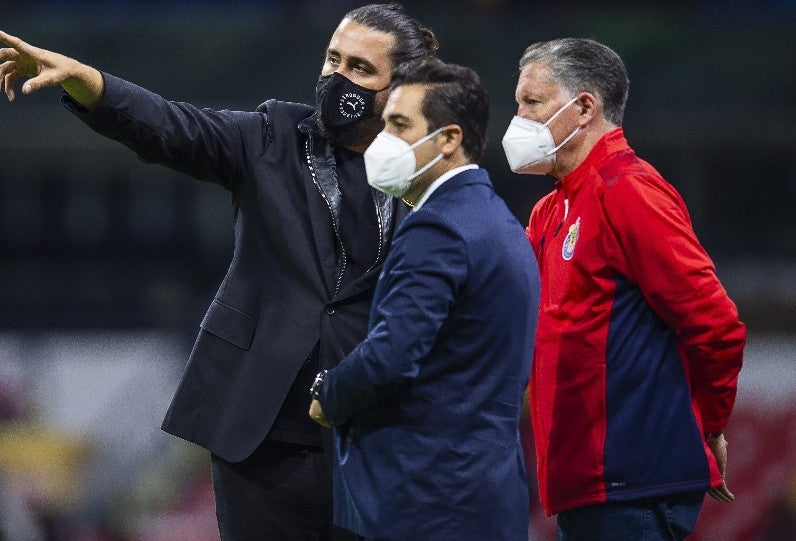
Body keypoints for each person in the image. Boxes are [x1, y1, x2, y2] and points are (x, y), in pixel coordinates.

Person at [0, 4, 438, 540]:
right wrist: (91, 84)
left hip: (367, 437)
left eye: (360, 69)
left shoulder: (427, 172)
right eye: (332, 60)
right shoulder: (275, 135)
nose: (337, 78)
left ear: (401, 88)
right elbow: (175, 128)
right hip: (258, 434)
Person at [502, 38, 746, 540]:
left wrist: (712, 423)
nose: (518, 118)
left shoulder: (627, 189)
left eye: (531, 102)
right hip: (587, 485)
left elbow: (715, 323)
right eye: (517, 103)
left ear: (585, 107)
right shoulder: (550, 211)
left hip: (631, 484)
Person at [308, 59, 540, 540]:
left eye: (398, 125)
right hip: (483, 493)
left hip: (430, 499)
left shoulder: (438, 227)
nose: (380, 140)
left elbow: (390, 357)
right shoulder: (498, 222)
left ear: (449, 139)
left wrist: (328, 394)